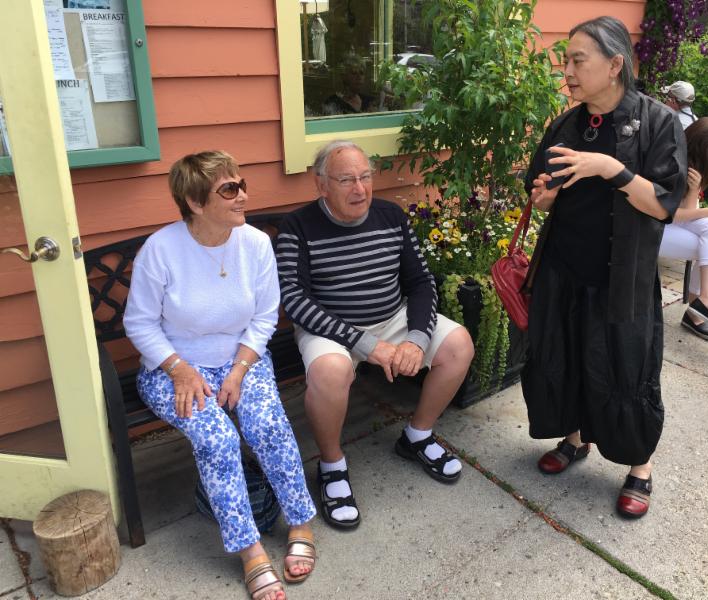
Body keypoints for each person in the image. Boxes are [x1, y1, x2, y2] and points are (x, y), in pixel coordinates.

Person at [124, 151, 317, 600]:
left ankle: (300, 522)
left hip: (243, 359)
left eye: (241, 184)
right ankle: (250, 551)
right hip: (173, 368)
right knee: (218, 440)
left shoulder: (255, 243)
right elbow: (140, 323)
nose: (243, 195)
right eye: (229, 190)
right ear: (195, 203)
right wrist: (180, 370)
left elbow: (265, 316)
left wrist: (240, 368)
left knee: (267, 425)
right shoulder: (161, 250)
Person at [521, 16, 687, 519]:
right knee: (569, 355)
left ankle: (640, 465)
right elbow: (542, 196)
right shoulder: (567, 124)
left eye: (578, 60)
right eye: (566, 61)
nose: (568, 72)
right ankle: (575, 438)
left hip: (622, 275)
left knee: (626, 367)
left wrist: (611, 169)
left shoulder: (658, 123)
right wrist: (545, 195)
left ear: (615, 65)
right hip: (565, 269)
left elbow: (663, 204)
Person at [276, 140, 474, 529]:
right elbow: (295, 300)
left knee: (458, 345)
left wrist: (416, 339)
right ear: (321, 185)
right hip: (330, 328)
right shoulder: (297, 227)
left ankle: (417, 436)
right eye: (346, 180)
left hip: (392, 317)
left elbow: (420, 282)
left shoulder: (391, 216)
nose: (360, 189)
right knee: (330, 371)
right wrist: (366, 345)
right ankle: (331, 465)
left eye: (365, 177)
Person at [659, 117, 708, 341]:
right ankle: (699, 308)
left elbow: (687, 213)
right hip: (647, 229)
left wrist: (694, 191)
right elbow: (664, 213)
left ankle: (703, 302)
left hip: (666, 227)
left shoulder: (691, 170)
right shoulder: (670, 166)